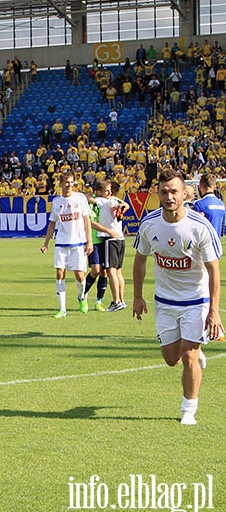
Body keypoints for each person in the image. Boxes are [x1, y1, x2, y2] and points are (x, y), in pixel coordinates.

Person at [133, 169, 223, 425]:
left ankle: (188, 410)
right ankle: (191, 346)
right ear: (158, 194)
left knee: (190, 356)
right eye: (164, 192)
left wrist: (214, 311)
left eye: (174, 191)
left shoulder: (199, 226)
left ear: (185, 193)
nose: (169, 196)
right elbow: (140, 260)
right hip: (164, 302)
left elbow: (214, 270)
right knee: (171, 358)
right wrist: (137, 296)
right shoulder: (150, 224)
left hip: (196, 301)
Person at [40, 171, 92, 318]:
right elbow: (52, 223)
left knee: (80, 276)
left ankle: (82, 296)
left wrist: (89, 241)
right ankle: (62, 309)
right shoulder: (57, 202)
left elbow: (87, 220)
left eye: (71, 182)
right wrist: (46, 243)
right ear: (61, 184)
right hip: (61, 242)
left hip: (79, 243)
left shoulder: (80, 198)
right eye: (66, 182)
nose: (69, 185)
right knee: (59, 273)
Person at [90, 180, 127, 311]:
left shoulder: (103, 201)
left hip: (110, 238)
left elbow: (88, 199)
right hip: (121, 239)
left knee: (111, 271)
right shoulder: (115, 200)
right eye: (107, 190)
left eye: (109, 190)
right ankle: (122, 300)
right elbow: (126, 205)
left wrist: (93, 195)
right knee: (118, 272)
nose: (109, 192)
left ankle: (116, 301)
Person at [193, 173, 224, 238]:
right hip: (217, 244)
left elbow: (194, 227)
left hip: (204, 244)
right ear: (214, 187)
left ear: (200, 186)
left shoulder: (199, 204)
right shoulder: (221, 204)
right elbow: (222, 229)